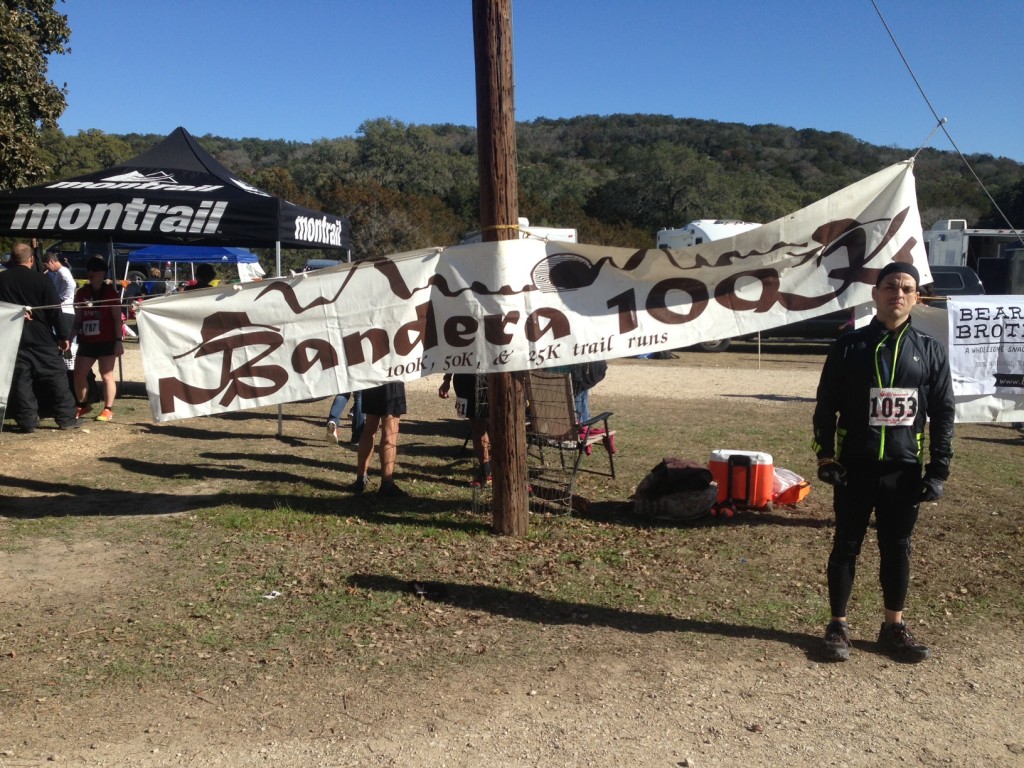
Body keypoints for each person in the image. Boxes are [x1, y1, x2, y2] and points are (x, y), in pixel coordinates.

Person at [812, 261, 954, 663]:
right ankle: (837, 625)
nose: (899, 293)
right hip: (854, 467)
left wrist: (938, 470)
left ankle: (894, 626)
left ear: (917, 297)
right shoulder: (848, 346)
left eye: (907, 288)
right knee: (846, 546)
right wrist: (825, 457)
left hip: (903, 469)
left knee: (897, 548)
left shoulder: (929, 350)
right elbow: (826, 407)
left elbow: (944, 412)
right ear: (875, 293)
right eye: (890, 286)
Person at [0, 243, 79, 432]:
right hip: (42, 337)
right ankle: (66, 418)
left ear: (11, 259)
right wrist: (62, 335)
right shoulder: (41, 280)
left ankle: (27, 421)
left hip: (14, 338)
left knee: (21, 381)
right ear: (31, 259)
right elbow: (54, 310)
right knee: (56, 377)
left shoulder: (2, 280)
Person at [72, 257, 123, 422]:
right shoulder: (81, 293)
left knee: (106, 374)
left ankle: (108, 409)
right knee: (79, 374)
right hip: (87, 341)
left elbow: (117, 319)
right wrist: (69, 336)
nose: (91, 273)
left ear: (103, 273)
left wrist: (118, 340)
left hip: (107, 340)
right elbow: (78, 319)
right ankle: (82, 404)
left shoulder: (111, 293)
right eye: (89, 269)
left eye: (95, 269)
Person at [351, 381, 407, 497]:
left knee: (369, 429)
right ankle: (387, 484)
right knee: (390, 433)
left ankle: (361, 479)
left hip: (372, 381)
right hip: (391, 380)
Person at [439, 373, 491, 484]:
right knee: (477, 427)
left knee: (495, 427)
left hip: (488, 379)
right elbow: (455, 356)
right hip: (464, 381)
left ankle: (500, 470)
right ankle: (485, 472)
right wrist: (447, 379)